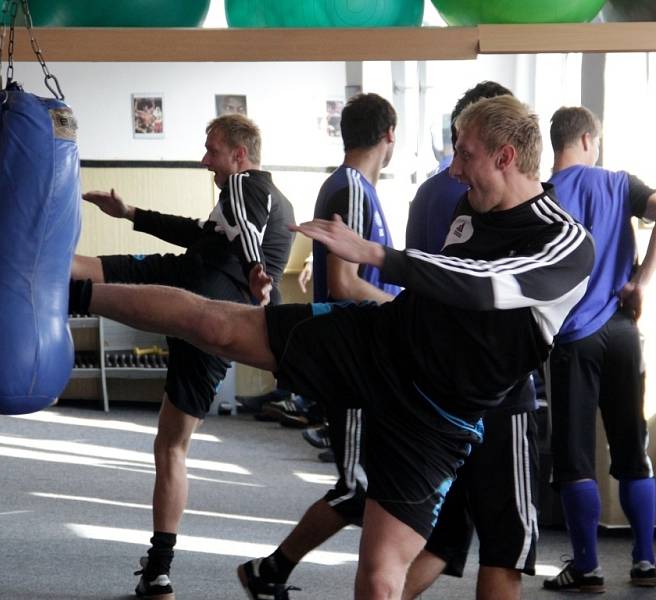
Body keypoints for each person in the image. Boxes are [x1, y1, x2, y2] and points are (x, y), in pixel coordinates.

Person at [68, 95, 595, 599]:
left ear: (505, 157)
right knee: (217, 325)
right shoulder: (468, 205)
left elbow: (485, 283)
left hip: (439, 422)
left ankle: (274, 570)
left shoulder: (567, 244)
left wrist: (376, 254)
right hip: (379, 342)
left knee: (379, 580)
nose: (455, 169)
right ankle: (73, 292)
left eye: (465, 154)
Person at [73, 113, 295, 599]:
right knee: (171, 445)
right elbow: (203, 230)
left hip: (198, 296)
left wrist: (258, 270)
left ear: (239, 155)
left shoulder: (247, 186)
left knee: (81, 272)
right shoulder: (267, 204)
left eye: (212, 150)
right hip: (215, 321)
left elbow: (242, 221)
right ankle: (159, 569)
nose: (204, 160)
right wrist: (130, 213)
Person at [236, 92, 400, 599]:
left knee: (374, 487)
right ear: (389, 136)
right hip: (351, 359)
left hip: (368, 358)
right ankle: (270, 570)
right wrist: (406, 310)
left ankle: (277, 572)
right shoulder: (351, 187)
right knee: (357, 488)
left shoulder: (355, 188)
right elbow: (348, 285)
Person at [402, 82, 540, 600]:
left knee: (441, 541)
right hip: (496, 398)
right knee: (504, 550)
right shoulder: (525, 209)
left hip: (441, 394)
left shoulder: (434, 195)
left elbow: (421, 282)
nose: (457, 164)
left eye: (463, 151)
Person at [542, 105, 656, 592]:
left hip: (572, 337)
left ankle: (587, 566)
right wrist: (640, 281)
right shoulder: (619, 183)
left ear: (557, 143)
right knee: (632, 450)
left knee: (575, 457)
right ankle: (647, 560)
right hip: (622, 332)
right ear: (588, 140)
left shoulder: (542, 196)